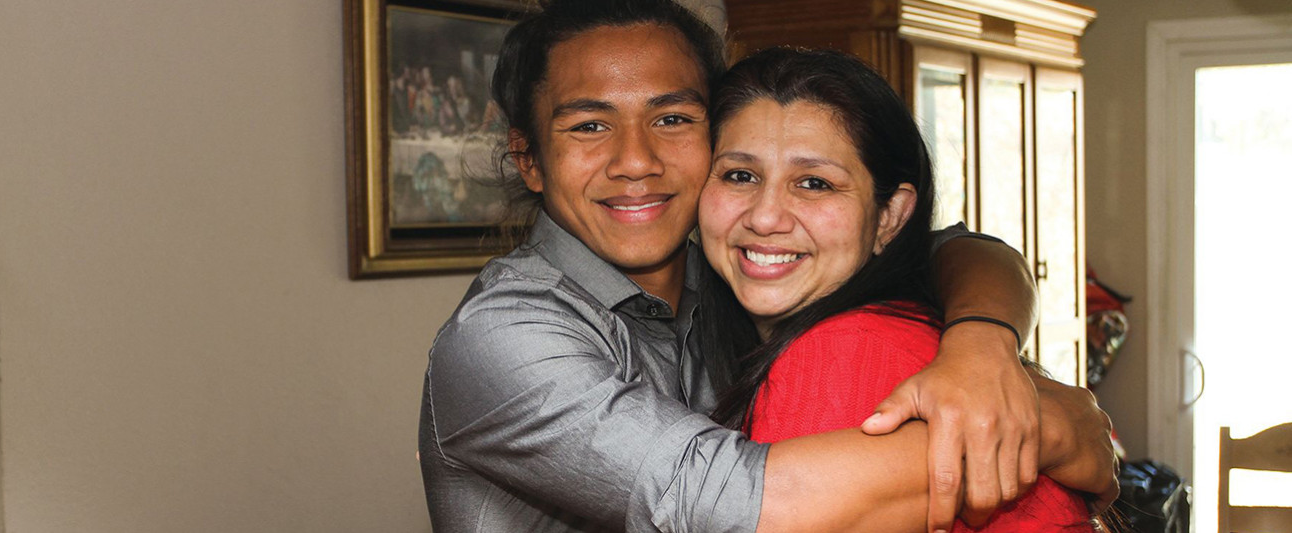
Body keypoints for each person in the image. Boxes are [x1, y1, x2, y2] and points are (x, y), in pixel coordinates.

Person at [418, 1, 1117, 531]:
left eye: (672, 119)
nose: (636, 160)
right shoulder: (501, 335)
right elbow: (717, 501)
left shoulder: (731, 271)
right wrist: (1044, 425)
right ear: (529, 158)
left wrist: (982, 342)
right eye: (589, 125)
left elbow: (960, 248)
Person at [698, 47, 1097, 532]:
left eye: (814, 183)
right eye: (740, 175)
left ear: (890, 217)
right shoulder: (882, 322)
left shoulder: (843, 352)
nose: (764, 216)